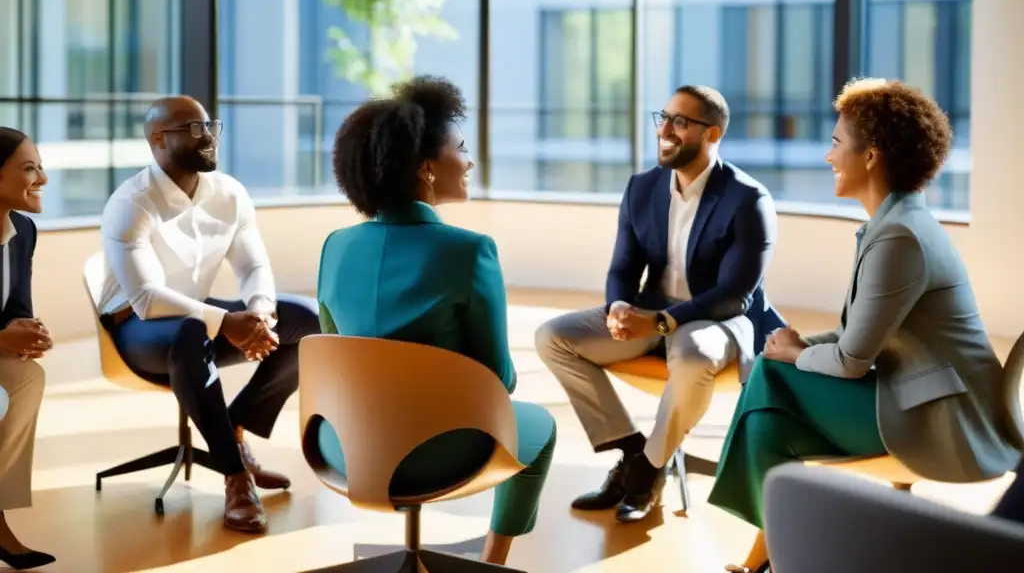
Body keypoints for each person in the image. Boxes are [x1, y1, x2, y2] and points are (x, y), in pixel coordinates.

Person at [708, 78, 1023, 573]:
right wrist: (796, 346)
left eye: (836, 143)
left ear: (871, 155)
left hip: (939, 417)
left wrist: (792, 353)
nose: (827, 155)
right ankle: (767, 561)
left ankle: (770, 555)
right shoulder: (894, 223)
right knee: (769, 416)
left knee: (770, 378)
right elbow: (857, 337)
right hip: (910, 393)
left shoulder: (899, 236)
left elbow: (853, 360)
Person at [316, 76, 556, 567]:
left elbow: (335, 354)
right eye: (461, 148)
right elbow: (498, 381)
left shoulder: (335, 246)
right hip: (430, 452)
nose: (468, 161)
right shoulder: (470, 252)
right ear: (426, 168)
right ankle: (492, 560)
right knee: (542, 426)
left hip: (341, 447)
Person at [535, 85, 785, 523]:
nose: (665, 130)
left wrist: (663, 322)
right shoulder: (642, 187)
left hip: (718, 319)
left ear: (713, 134)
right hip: (653, 310)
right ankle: (633, 451)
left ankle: (650, 470)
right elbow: (623, 267)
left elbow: (734, 294)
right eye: (663, 117)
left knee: (695, 353)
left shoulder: (748, 199)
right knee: (551, 337)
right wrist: (617, 307)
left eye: (681, 122)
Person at [97, 97, 320, 534]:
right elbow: (145, 297)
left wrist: (258, 314)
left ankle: (236, 426)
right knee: (189, 331)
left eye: (211, 126)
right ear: (158, 140)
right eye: (194, 129)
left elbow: (253, 266)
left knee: (306, 320)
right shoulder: (131, 203)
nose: (209, 137)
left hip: (195, 319)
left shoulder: (229, 193)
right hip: (136, 330)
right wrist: (225, 322)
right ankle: (236, 479)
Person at [0, 128, 55, 569]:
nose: (43, 178)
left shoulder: (23, 230)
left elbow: (15, 309)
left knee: (26, 376)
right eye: (30, 168)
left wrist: (30, 333)